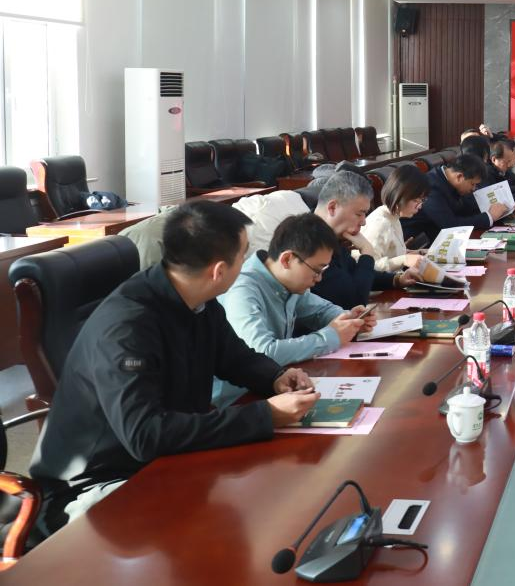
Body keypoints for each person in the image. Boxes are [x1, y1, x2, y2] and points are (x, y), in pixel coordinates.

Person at [28, 199, 320, 542]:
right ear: (218, 270)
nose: (247, 262)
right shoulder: (127, 328)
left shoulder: (196, 297)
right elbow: (146, 435)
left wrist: (275, 376)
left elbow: (232, 356)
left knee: (272, 496)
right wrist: (264, 415)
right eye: (243, 255)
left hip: (165, 459)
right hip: (97, 485)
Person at [214, 213, 378, 406]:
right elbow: (262, 351)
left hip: (275, 388)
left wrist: (349, 319)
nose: (319, 279)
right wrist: (331, 337)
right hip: (236, 402)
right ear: (287, 260)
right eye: (316, 270)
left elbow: (321, 310)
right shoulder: (242, 288)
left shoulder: (286, 281)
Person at [311, 170, 420, 308]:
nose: (363, 222)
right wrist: (367, 252)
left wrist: (397, 279)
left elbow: (354, 273)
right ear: (332, 208)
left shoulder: (332, 236)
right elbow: (355, 302)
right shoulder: (311, 244)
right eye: (359, 214)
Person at [405, 153, 515, 245]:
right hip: (415, 245)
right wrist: (489, 216)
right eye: (472, 184)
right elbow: (450, 225)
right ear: (459, 177)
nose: (474, 189)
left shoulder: (449, 181)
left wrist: (504, 211)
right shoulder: (431, 187)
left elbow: (467, 208)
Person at [360, 164, 430, 272]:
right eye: (416, 200)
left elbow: (388, 255)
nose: (420, 206)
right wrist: (404, 259)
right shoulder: (380, 223)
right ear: (400, 196)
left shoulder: (393, 216)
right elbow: (370, 266)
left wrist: (413, 253)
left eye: (422, 200)